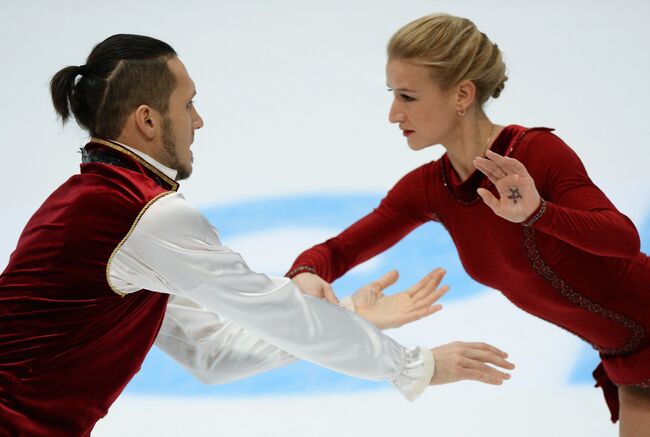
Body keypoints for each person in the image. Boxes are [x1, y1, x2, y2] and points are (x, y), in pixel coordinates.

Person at [0, 34, 515, 436]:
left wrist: (350, 315)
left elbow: (211, 352)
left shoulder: (92, 207)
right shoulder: (144, 216)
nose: (198, 122)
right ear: (148, 120)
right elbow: (284, 316)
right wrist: (415, 366)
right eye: (188, 105)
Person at [287, 13, 650, 437]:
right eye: (393, 94)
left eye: (407, 96)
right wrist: (305, 273)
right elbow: (339, 251)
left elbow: (624, 239)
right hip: (629, 364)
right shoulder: (430, 188)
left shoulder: (536, 153)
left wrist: (539, 214)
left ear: (462, 94)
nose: (392, 113)